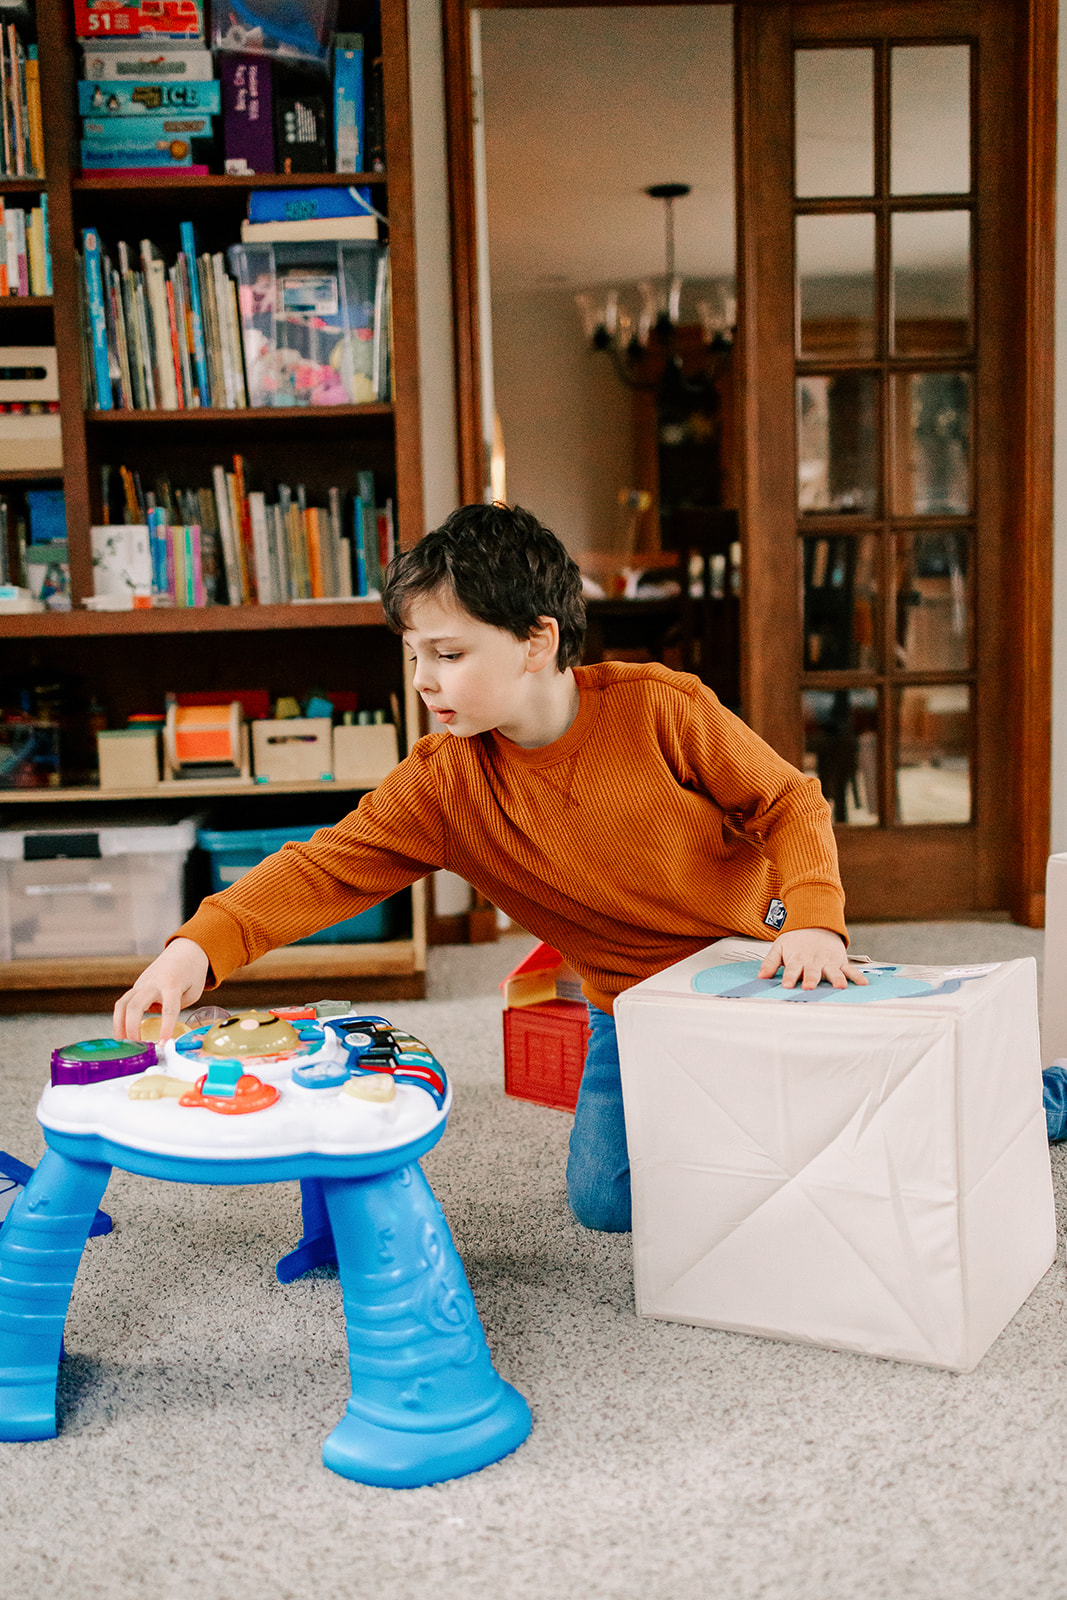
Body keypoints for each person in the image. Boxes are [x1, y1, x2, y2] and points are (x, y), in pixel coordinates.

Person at [113, 502, 866, 1232]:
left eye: (447, 654)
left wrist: (812, 923)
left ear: (537, 642)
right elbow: (323, 868)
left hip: (752, 962)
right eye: (413, 655)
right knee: (605, 1204)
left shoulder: (661, 707)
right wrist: (197, 947)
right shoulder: (443, 783)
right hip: (630, 1007)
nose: (422, 681)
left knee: (829, 1149)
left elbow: (788, 802)